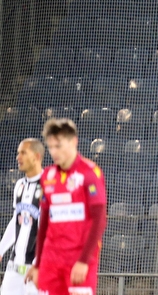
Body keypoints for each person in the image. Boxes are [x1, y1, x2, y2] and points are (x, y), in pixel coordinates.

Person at [26, 119, 107, 295]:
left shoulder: (90, 172)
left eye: (58, 146)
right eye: (51, 147)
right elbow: (44, 223)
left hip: (78, 259)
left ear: (73, 141)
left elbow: (99, 220)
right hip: (51, 261)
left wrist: (84, 261)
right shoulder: (47, 175)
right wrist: (38, 264)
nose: (54, 151)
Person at [0, 140, 44, 295]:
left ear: (37, 157)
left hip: (37, 267)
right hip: (14, 266)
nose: (18, 157)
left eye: (23, 153)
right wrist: (1, 249)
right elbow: (16, 220)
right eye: (18, 152)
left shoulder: (49, 185)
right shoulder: (19, 185)